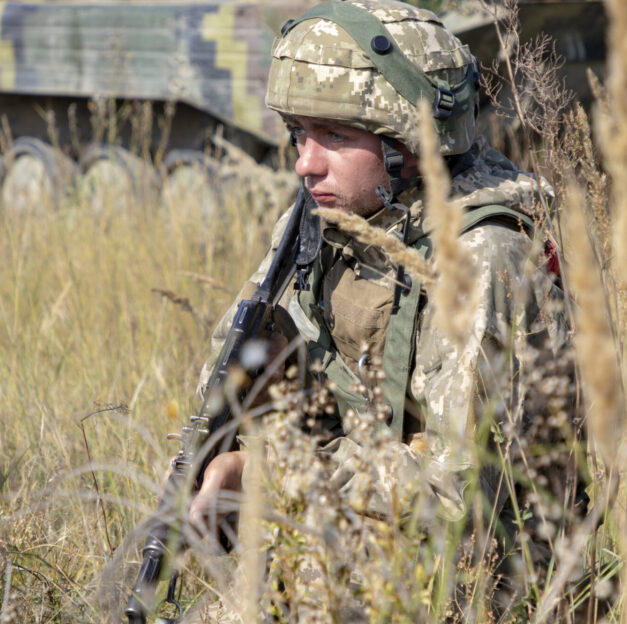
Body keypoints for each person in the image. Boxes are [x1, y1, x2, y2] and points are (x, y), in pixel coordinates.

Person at [178, 0, 582, 619]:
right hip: (365, 538)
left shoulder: (480, 257)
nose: (304, 162)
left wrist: (262, 478)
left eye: (335, 136)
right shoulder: (332, 215)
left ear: (411, 144)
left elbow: (455, 500)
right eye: (297, 134)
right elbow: (235, 355)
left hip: (480, 579)